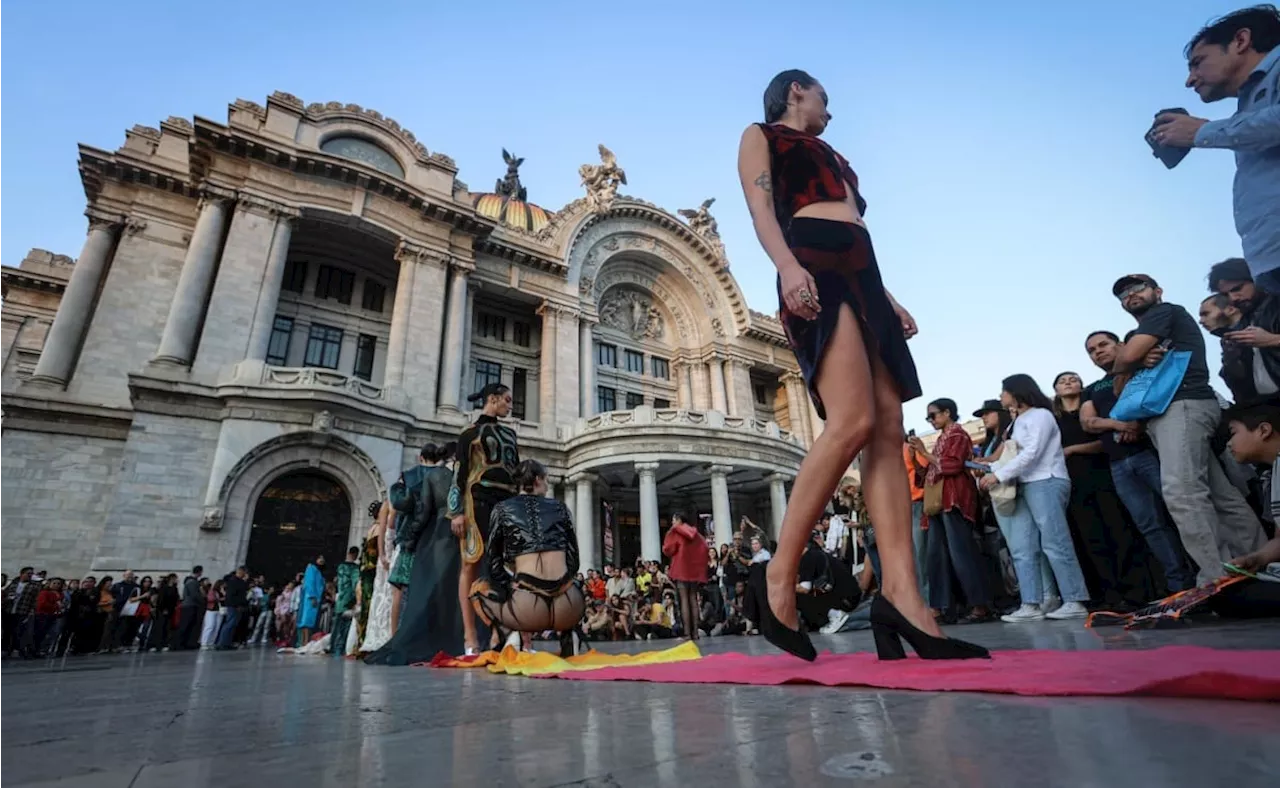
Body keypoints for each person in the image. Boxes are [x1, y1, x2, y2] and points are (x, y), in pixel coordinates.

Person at [736, 69, 985, 662]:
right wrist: (789, 267)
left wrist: (888, 297)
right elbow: (760, 206)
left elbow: (857, 227)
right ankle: (777, 578)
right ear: (796, 90)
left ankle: (902, 596)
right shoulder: (761, 135)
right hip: (811, 258)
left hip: (862, 272)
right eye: (824, 95)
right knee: (850, 421)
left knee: (890, 429)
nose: (830, 107)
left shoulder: (836, 157)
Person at [1111, 274, 1265, 581]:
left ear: (1157, 291)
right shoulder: (1147, 331)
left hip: (1183, 406)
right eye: (1123, 295)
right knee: (1220, 495)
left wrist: (1130, 357)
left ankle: (1217, 576)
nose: (1130, 295)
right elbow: (1119, 388)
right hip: (1173, 413)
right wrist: (1134, 361)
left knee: (1182, 493)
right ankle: (1262, 563)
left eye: (1137, 288)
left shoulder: (1165, 312)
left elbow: (1124, 358)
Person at [1154, 6, 1280, 292]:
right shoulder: (1247, 106)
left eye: (1197, 62)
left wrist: (1202, 131)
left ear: (1240, 41)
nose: (1190, 80)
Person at [979, 375, 1091, 622]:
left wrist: (998, 474)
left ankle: (1074, 599)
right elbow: (1015, 454)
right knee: (1024, 547)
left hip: (1047, 480)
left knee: (1055, 541)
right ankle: (1031, 602)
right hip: (1026, 484)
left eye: (1003, 391)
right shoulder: (1018, 422)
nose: (1001, 396)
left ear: (1016, 392)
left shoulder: (1041, 415)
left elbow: (1032, 452)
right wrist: (993, 470)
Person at [1053, 372, 1156, 608]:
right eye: (1062, 380)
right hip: (1074, 484)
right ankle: (1106, 595)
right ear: (1056, 390)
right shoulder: (1054, 420)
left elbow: (1107, 442)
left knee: (1120, 532)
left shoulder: (1094, 411)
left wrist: (1073, 449)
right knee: (1091, 540)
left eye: (1073, 378)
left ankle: (1135, 593)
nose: (1069, 382)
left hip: (1104, 475)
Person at [469, 460, 586, 658]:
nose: (548, 485)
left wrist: (509, 588)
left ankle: (507, 633)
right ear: (538, 479)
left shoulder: (502, 509)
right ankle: (568, 635)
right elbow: (574, 560)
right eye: (547, 480)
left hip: (527, 609)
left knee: (476, 590)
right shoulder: (561, 507)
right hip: (569, 606)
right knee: (570, 585)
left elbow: (493, 561)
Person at [366, 443, 463, 665]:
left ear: (420, 457)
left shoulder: (413, 476)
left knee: (405, 591)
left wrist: (406, 539)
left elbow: (405, 507)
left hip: (426, 539)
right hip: (453, 538)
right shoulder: (459, 477)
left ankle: (399, 636)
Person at [448, 382, 520, 655]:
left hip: (506, 504)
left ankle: (498, 632)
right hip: (476, 502)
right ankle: (470, 638)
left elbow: (516, 473)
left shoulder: (511, 435)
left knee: (503, 566)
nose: (510, 405)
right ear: (493, 399)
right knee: (471, 563)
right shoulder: (469, 434)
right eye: (507, 400)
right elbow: (460, 473)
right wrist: (456, 512)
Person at [909, 399, 993, 623]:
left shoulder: (958, 434)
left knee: (961, 554)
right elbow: (927, 473)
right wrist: (917, 459)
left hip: (953, 500)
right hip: (937, 504)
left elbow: (951, 466)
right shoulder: (942, 438)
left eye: (933, 415)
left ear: (947, 413)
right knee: (935, 556)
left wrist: (924, 453)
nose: (931, 420)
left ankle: (979, 606)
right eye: (929, 417)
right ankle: (941, 608)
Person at [1218, 396, 1280, 616]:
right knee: (1226, 593)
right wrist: (1257, 559)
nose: (1229, 443)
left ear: (1263, 430)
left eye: (1233, 433)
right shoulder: (1273, 475)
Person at [661, 511, 709, 641]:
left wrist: (669, 533)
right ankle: (695, 633)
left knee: (683, 600)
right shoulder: (696, 533)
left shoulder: (675, 531)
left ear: (678, 520)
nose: (672, 523)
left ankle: (687, 633)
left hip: (681, 568)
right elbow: (705, 547)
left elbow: (668, 550)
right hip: (694, 569)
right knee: (693, 598)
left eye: (673, 520)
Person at [356, 501, 382, 649]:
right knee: (371, 604)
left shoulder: (371, 528)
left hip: (366, 571)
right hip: (373, 571)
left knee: (367, 605)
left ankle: (362, 638)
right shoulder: (378, 529)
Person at [217, 566, 249, 650]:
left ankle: (227, 642)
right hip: (234, 606)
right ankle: (222, 643)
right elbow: (232, 595)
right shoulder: (234, 581)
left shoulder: (237, 581)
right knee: (229, 624)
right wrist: (237, 605)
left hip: (237, 605)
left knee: (233, 624)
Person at [296, 556, 326, 647]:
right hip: (310, 599)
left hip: (316, 599)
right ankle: (303, 643)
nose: (322, 560)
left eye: (323, 559)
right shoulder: (311, 568)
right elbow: (309, 583)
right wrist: (312, 596)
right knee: (306, 621)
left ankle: (307, 642)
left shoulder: (319, 571)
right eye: (319, 558)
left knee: (311, 622)